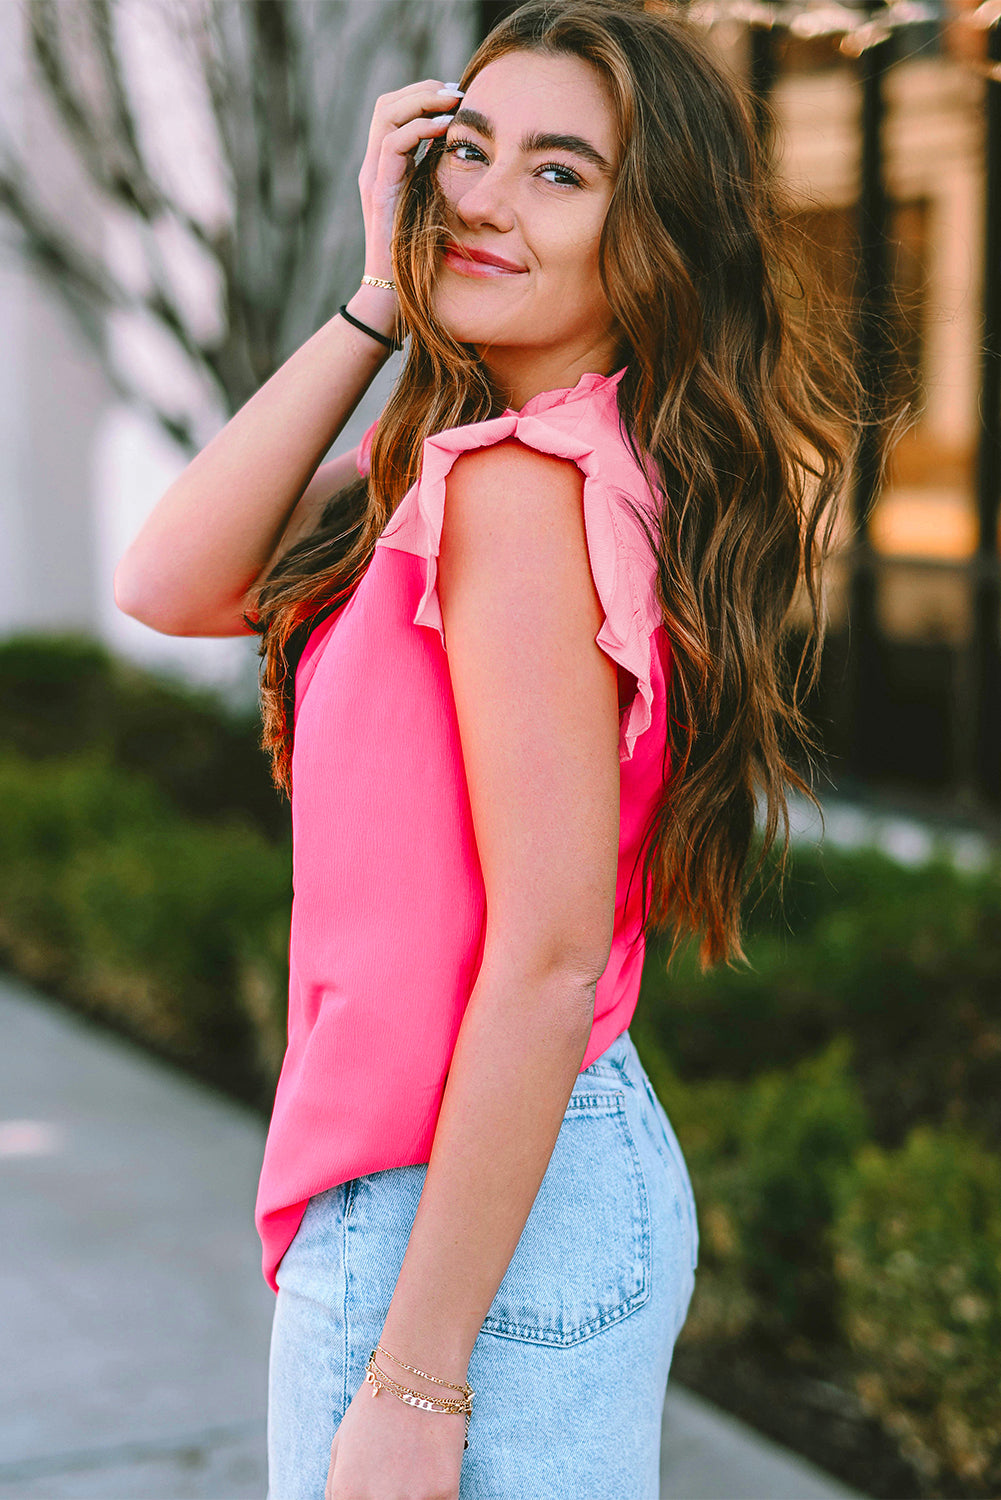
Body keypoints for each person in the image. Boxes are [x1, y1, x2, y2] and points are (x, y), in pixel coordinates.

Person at [114, 1, 858, 1495]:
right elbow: (172, 580)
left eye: (558, 171)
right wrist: (378, 297)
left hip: (458, 1213)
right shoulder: (505, 464)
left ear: (649, 238)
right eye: (467, 150)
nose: (481, 198)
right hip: (498, 1175)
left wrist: (416, 1373)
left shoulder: (522, 492)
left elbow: (546, 956)